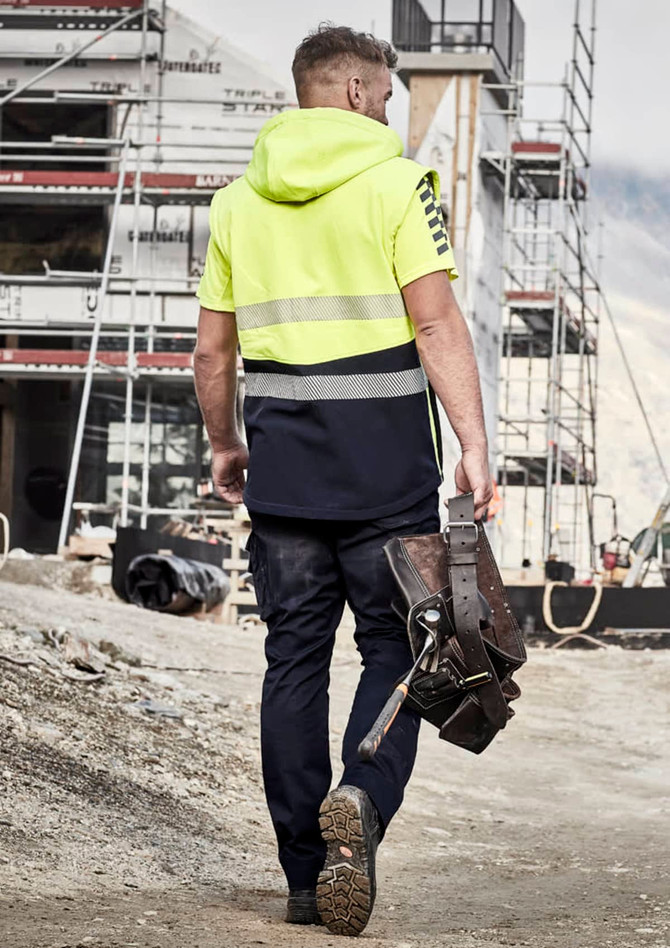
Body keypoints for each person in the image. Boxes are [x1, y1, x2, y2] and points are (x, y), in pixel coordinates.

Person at [194, 24, 492, 937]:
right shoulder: (401, 184)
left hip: (283, 478)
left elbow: (213, 351)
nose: (394, 111)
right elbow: (437, 326)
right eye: (391, 96)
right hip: (389, 480)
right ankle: (360, 796)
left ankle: (299, 875)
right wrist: (475, 442)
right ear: (359, 93)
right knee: (397, 653)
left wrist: (225, 444)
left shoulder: (237, 203)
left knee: (293, 663)